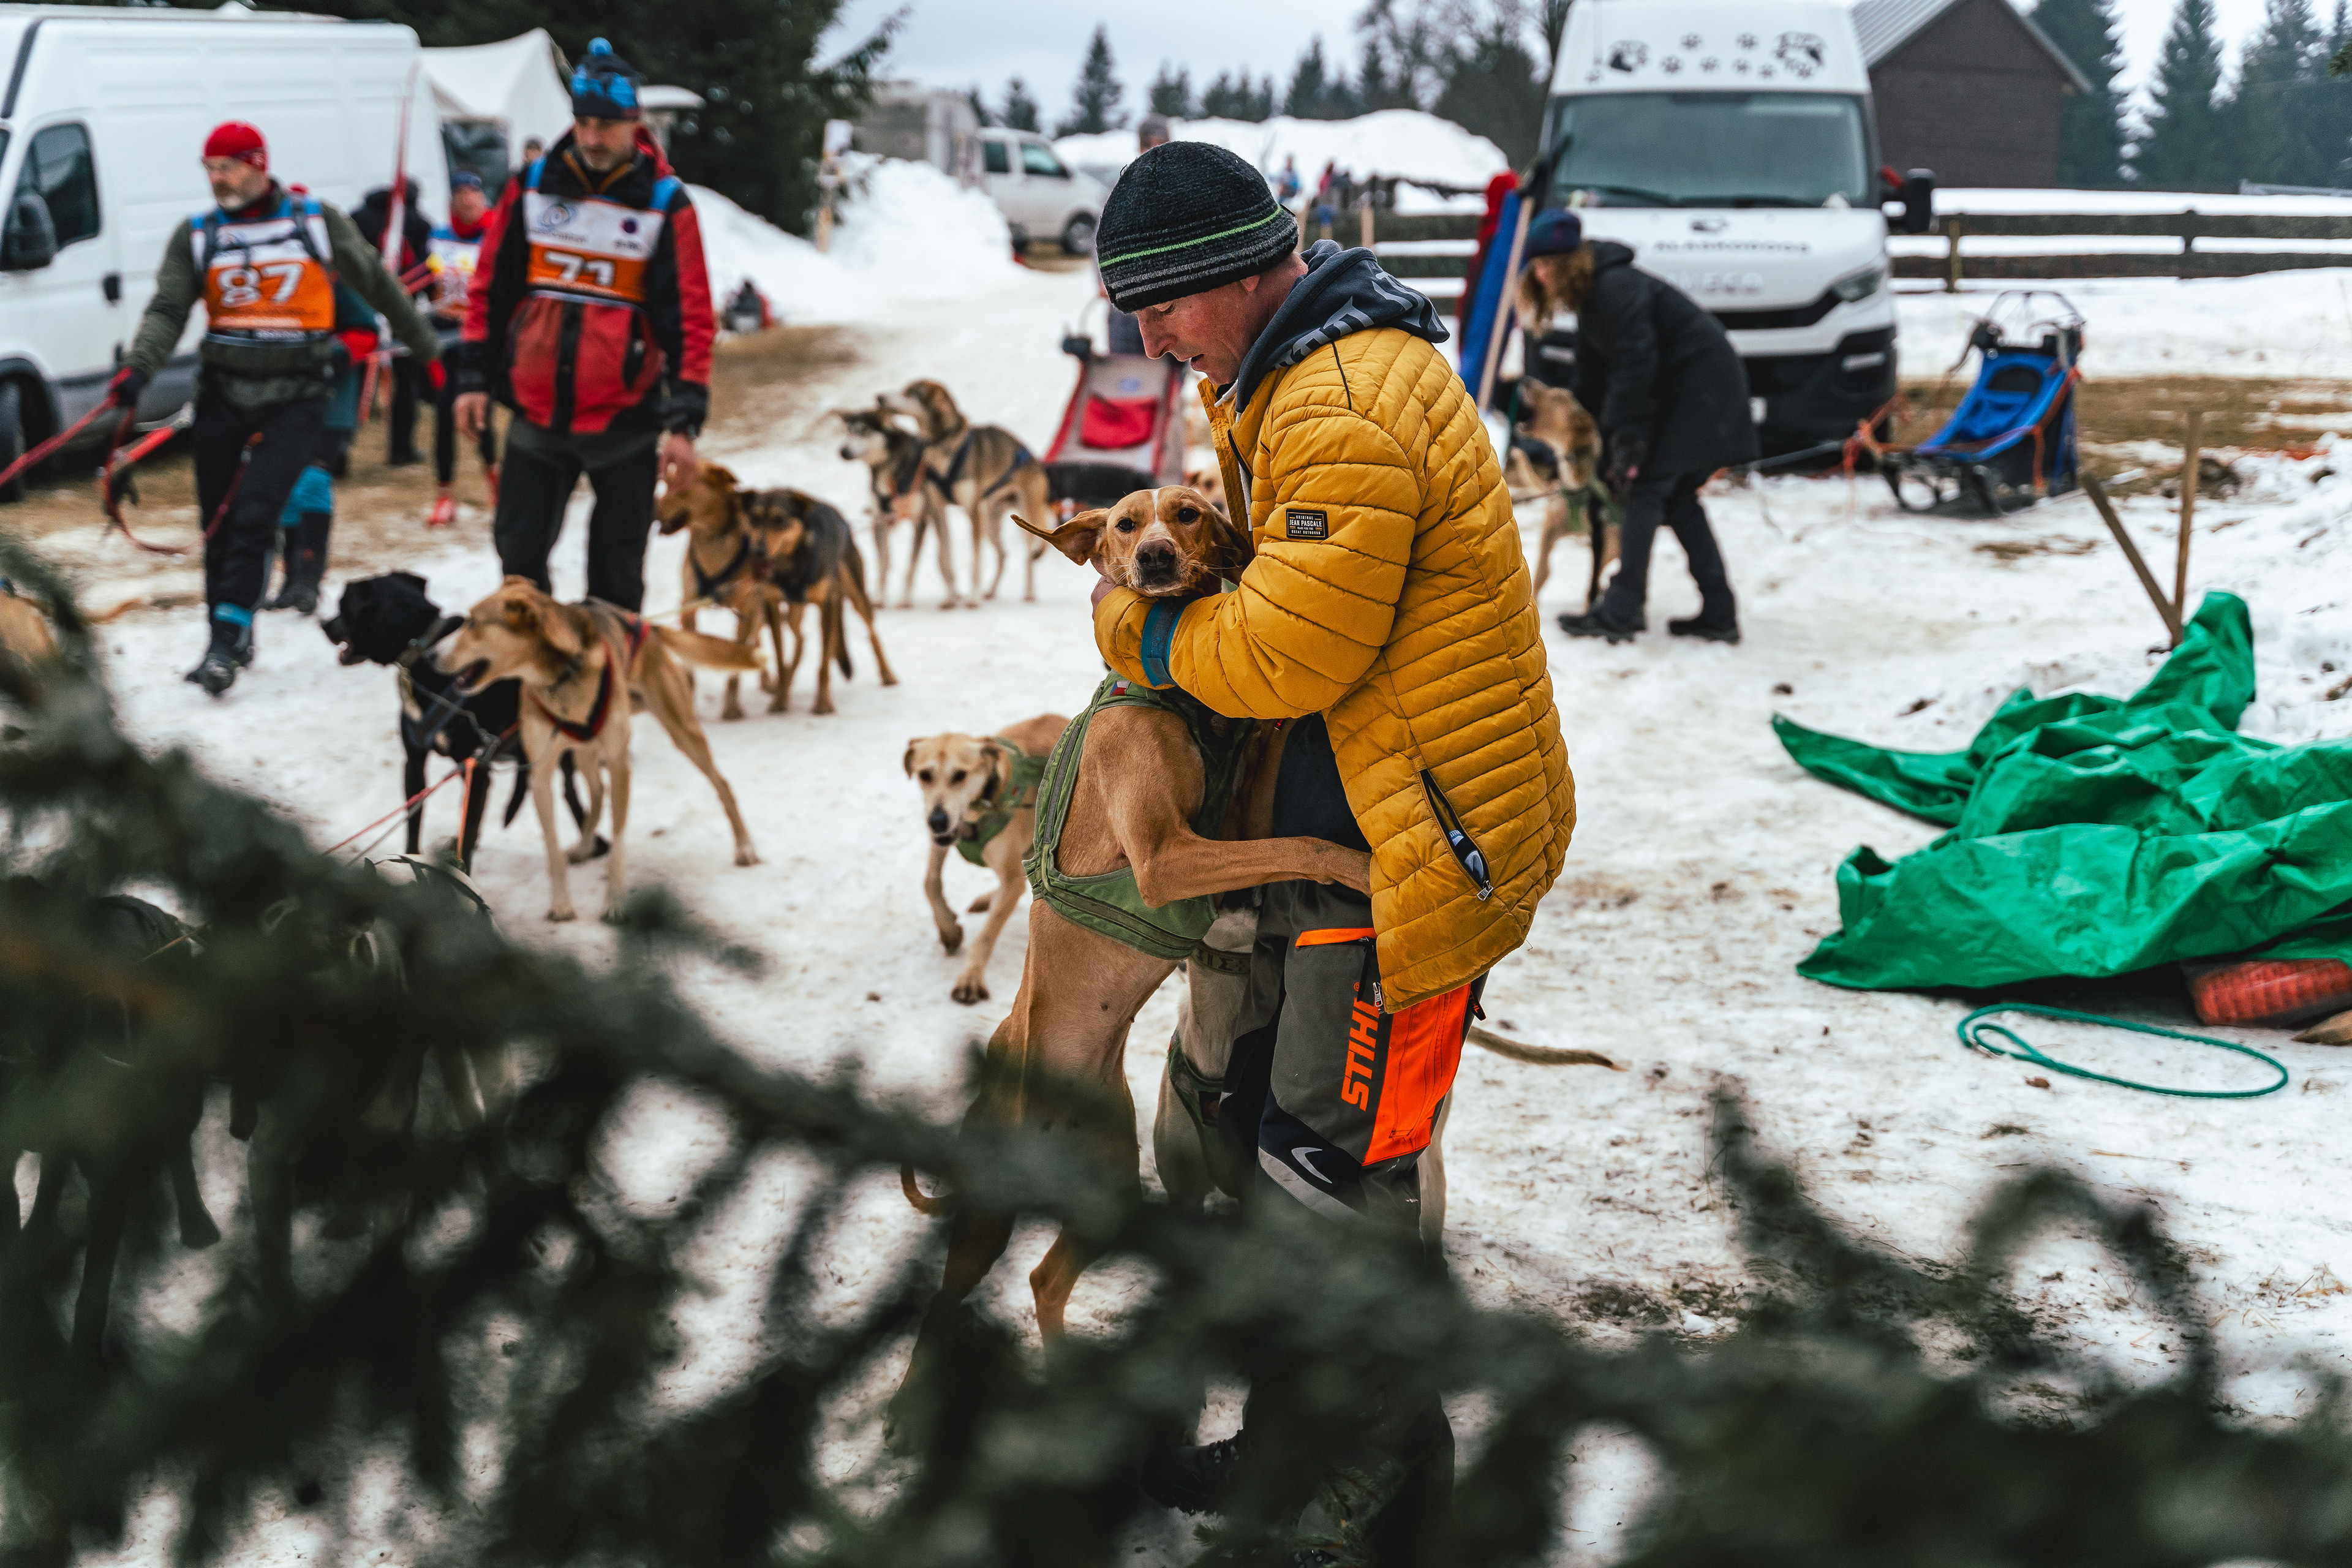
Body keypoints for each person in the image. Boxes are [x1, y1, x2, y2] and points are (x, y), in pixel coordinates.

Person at [1088, 141, 1575, 1562]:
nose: (1149, 339)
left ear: (1239, 277)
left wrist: (1130, 624)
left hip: (1413, 855)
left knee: (1334, 1168)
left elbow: (1285, 644)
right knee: (1237, 1127)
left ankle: (1374, 1493)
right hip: (1330, 833)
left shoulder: (1342, 403)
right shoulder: (1276, 377)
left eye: (1161, 306)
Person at [111, 121, 438, 695]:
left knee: (257, 515)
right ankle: (229, 629)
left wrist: (429, 351)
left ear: (260, 164)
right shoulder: (197, 235)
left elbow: (379, 285)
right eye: (210, 169)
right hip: (223, 394)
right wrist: (139, 369)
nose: (217, 180)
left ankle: (223, 646)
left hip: (297, 397)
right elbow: (168, 309)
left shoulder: (313, 222)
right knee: (218, 521)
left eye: (228, 167)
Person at [456, 38, 711, 612]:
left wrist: (685, 420)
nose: (593, 139)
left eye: (607, 126)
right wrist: (472, 378)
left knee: (616, 575)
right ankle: (536, 684)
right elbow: (489, 290)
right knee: (519, 561)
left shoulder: (666, 204)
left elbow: (691, 320)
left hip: (624, 419)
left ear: (634, 123)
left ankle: (610, 687)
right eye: (584, 123)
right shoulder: (533, 185)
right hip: (536, 413)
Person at [1521, 209, 1756, 644]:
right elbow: (1594, 380)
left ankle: (1622, 610)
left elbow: (1635, 365)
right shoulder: (1596, 297)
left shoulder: (1615, 289)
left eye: (1548, 264)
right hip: (1690, 390)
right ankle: (1718, 612)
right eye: (1536, 266)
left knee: (1648, 489)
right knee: (1678, 499)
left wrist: (1628, 441)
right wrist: (1608, 441)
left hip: (1702, 389)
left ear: (1572, 262)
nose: (1542, 275)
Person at [423, 171, 497, 526]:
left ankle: (494, 480)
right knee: (443, 412)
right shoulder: (438, 234)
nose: (469, 200)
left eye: (474, 193)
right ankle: (445, 494)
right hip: (445, 333)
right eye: (462, 194)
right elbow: (427, 280)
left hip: (481, 336)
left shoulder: (496, 231)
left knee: (480, 411)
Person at [355, 177, 434, 467]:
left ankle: (335, 456)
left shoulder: (357, 217)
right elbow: (427, 267)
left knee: (356, 378)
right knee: (405, 381)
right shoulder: (419, 222)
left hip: (362, 310)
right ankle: (401, 449)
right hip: (398, 312)